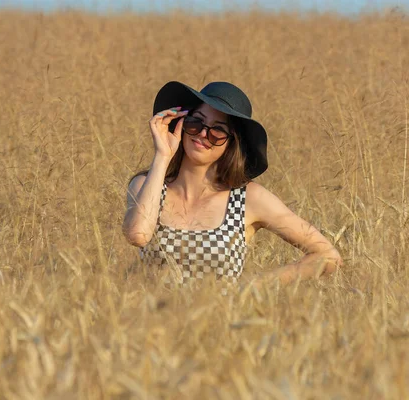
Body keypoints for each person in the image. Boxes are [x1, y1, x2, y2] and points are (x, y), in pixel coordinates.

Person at [122, 81, 342, 293]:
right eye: (195, 122)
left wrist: (252, 287)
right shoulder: (147, 185)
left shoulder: (247, 199)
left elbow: (328, 256)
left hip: (219, 325)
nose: (202, 134)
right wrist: (162, 156)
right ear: (181, 123)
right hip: (153, 326)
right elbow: (138, 235)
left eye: (217, 132)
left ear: (231, 143)